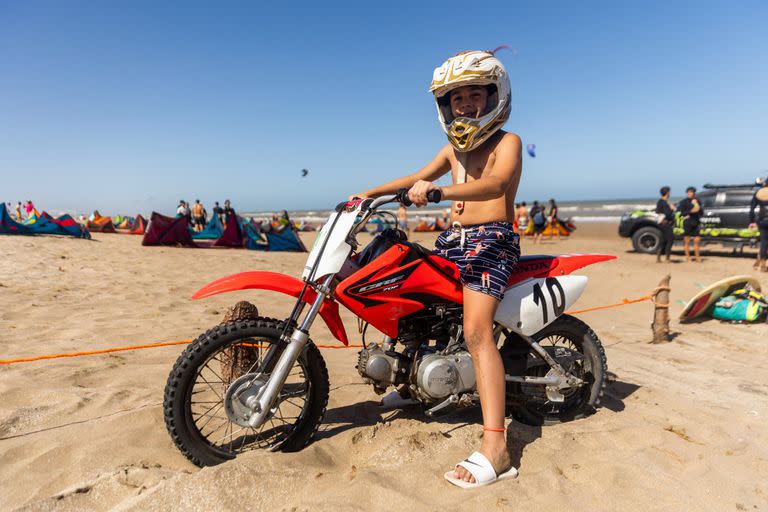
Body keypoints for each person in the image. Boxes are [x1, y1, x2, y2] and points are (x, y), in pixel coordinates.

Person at [350, 49, 521, 487]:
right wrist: (365, 196)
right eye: (456, 98)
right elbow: (414, 178)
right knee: (411, 300)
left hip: (491, 244)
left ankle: (497, 447)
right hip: (454, 243)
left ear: (494, 95)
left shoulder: (508, 143)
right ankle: (413, 384)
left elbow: (497, 185)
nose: (465, 104)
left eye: (474, 94)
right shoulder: (452, 149)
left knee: (477, 332)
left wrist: (442, 194)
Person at [678, 186, 702, 262]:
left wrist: (696, 206)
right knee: (687, 241)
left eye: (691, 192)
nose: (689, 194)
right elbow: (681, 213)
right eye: (688, 192)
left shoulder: (697, 201)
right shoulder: (683, 202)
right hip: (687, 223)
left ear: (694, 193)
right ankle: (688, 257)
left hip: (696, 222)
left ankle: (697, 257)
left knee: (697, 240)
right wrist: (691, 211)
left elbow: (701, 211)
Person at [749, 177, 768, 272]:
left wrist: (751, 221)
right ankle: (763, 263)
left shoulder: (758, 192)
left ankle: (760, 261)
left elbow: (752, 209)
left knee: (764, 242)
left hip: (762, 220)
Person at [655, 186, 676, 262]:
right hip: (666, 223)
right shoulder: (665, 202)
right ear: (667, 193)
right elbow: (667, 214)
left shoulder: (659, 201)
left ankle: (658, 258)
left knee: (663, 240)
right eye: (669, 192)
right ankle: (667, 258)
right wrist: (672, 209)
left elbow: (657, 211)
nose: (670, 193)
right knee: (670, 240)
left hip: (661, 223)